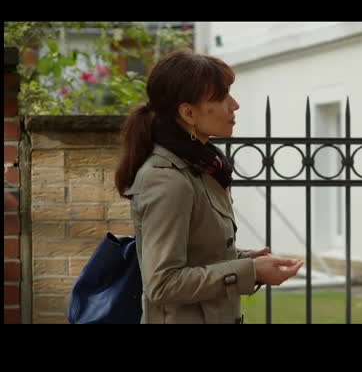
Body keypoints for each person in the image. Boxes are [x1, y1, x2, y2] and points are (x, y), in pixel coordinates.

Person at [115, 50, 302, 324]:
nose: (235, 105)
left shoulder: (203, 168)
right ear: (188, 113)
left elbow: (198, 255)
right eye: (222, 97)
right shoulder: (167, 179)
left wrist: (249, 261)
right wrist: (250, 271)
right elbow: (162, 283)